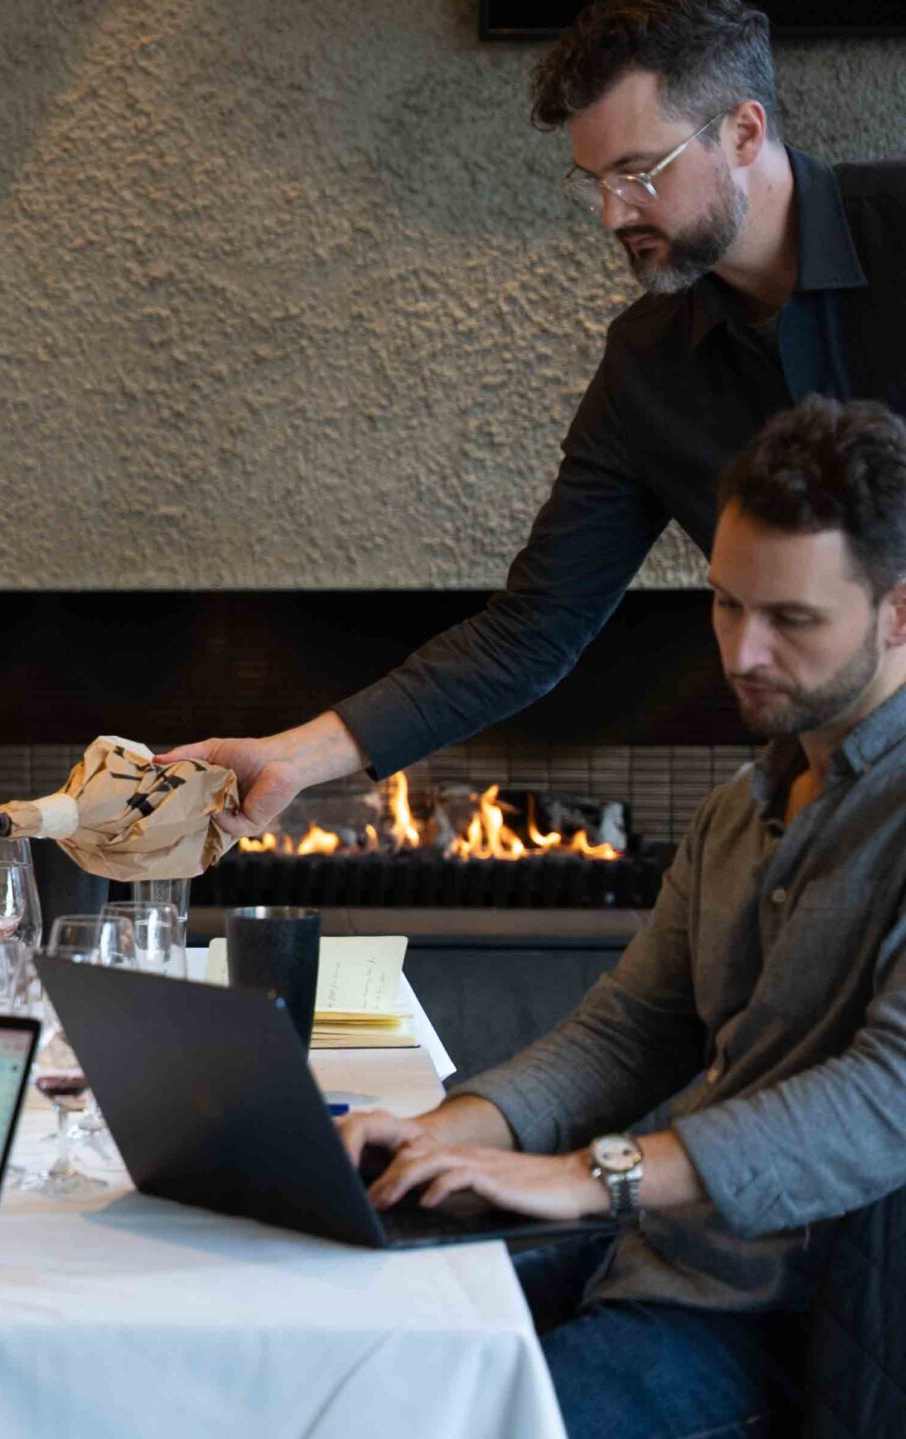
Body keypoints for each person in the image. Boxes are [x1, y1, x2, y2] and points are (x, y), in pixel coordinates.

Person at [167, 0, 906, 834]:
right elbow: (531, 629)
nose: (613, 213)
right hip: (831, 800)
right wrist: (294, 758)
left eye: (640, 171)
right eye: (595, 181)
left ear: (743, 132)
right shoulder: (647, 365)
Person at [340, 397, 906, 1438]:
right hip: (653, 1260)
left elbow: (887, 1099)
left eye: (791, 619)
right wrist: (441, 1133)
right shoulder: (740, 808)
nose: (741, 652)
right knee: (351, 1349)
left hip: (804, 1331)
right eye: (726, 603)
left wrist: (593, 1177)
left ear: (898, 612)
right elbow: (630, 1030)